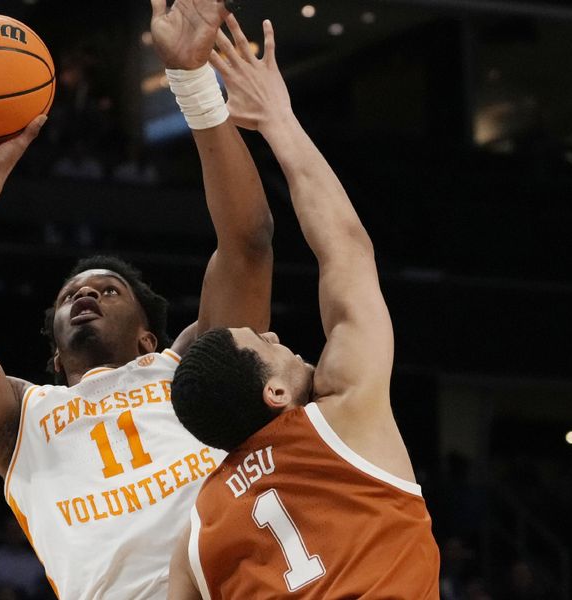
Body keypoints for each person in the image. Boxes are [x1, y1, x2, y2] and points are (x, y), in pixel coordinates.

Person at [0, 1, 273, 598]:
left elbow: (247, 245)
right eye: (72, 294)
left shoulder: (193, 372)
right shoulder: (20, 420)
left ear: (150, 337)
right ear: (53, 359)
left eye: (108, 289)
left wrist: (192, 79)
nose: (86, 294)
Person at [168, 15, 440, 599]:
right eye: (267, 344)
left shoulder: (195, 533)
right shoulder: (343, 412)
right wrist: (276, 119)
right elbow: (346, 248)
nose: (281, 339)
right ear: (274, 393)